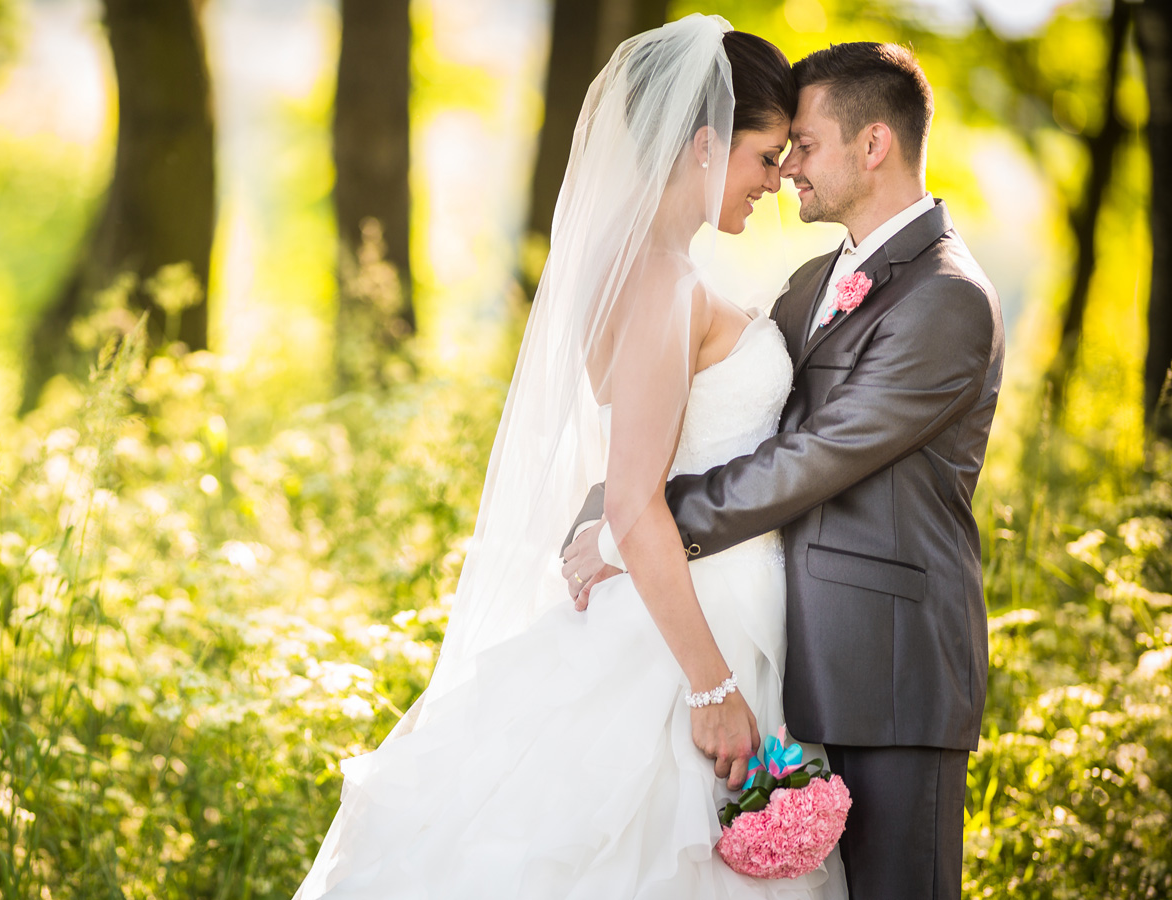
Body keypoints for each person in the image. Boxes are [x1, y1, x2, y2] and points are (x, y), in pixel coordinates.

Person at [294, 16, 846, 898]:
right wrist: (711, 690)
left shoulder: (639, 264)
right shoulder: (664, 284)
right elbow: (634, 500)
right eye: (765, 156)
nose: (776, 181)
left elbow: (638, 474)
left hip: (711, 604)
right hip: (689, 633)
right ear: (707, 144)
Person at [563, 41, 1004, 900]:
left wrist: (637, 526)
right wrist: (614, 506)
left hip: (888, 672)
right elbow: (717, 422)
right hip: (781, 650)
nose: (787, 168)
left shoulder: (946, 296)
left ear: (873, 145)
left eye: (803, 146)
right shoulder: (809, 283)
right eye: (778, 150)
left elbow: (815, 456)